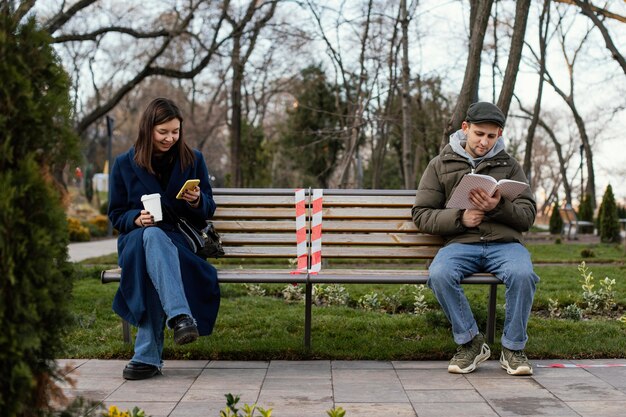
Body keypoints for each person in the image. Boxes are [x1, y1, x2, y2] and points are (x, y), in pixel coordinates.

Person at [411, 102, 538, 376]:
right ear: (465, 128)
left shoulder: (509, 165)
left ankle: (513, 348)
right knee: (440, 273)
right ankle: (470, 342)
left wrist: (498, 207)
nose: (484, 142)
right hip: (461, 243)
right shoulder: (440, 164)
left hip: (505, 245)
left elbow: (527, 216)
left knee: (523, 273)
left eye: (491, 136)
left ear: (499, 134)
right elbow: (421, 214)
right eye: (479, 134)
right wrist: (460, 219)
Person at [108, 98, 220, 380]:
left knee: (153, 261)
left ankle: (146, 357)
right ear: (148, 129)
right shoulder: (123, 164)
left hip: (179, 241)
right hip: (136, 239)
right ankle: (181, 317)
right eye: (163, 132)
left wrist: (197, 201)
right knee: (151, 240)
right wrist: (136, 218)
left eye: (175, 131)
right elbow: (116, 214)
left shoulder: (193, 159)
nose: (170, 138)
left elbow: (209, 207)